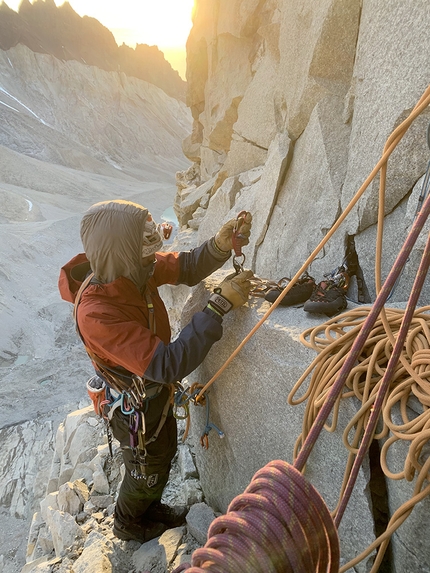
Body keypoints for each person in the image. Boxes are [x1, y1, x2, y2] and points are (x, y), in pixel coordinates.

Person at [58, 199, 253, 543]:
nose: (153, 260)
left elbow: (186, 267)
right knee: (145, 465)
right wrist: (218, 306)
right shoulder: (97, 312)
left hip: (148, 392)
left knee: (161, 452)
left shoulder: (131, 268)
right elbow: (166, 364)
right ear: (124, 252)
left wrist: (219, 247)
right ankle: (128, 522)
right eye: (145, 252)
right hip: (134, 402)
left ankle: (149, 507)